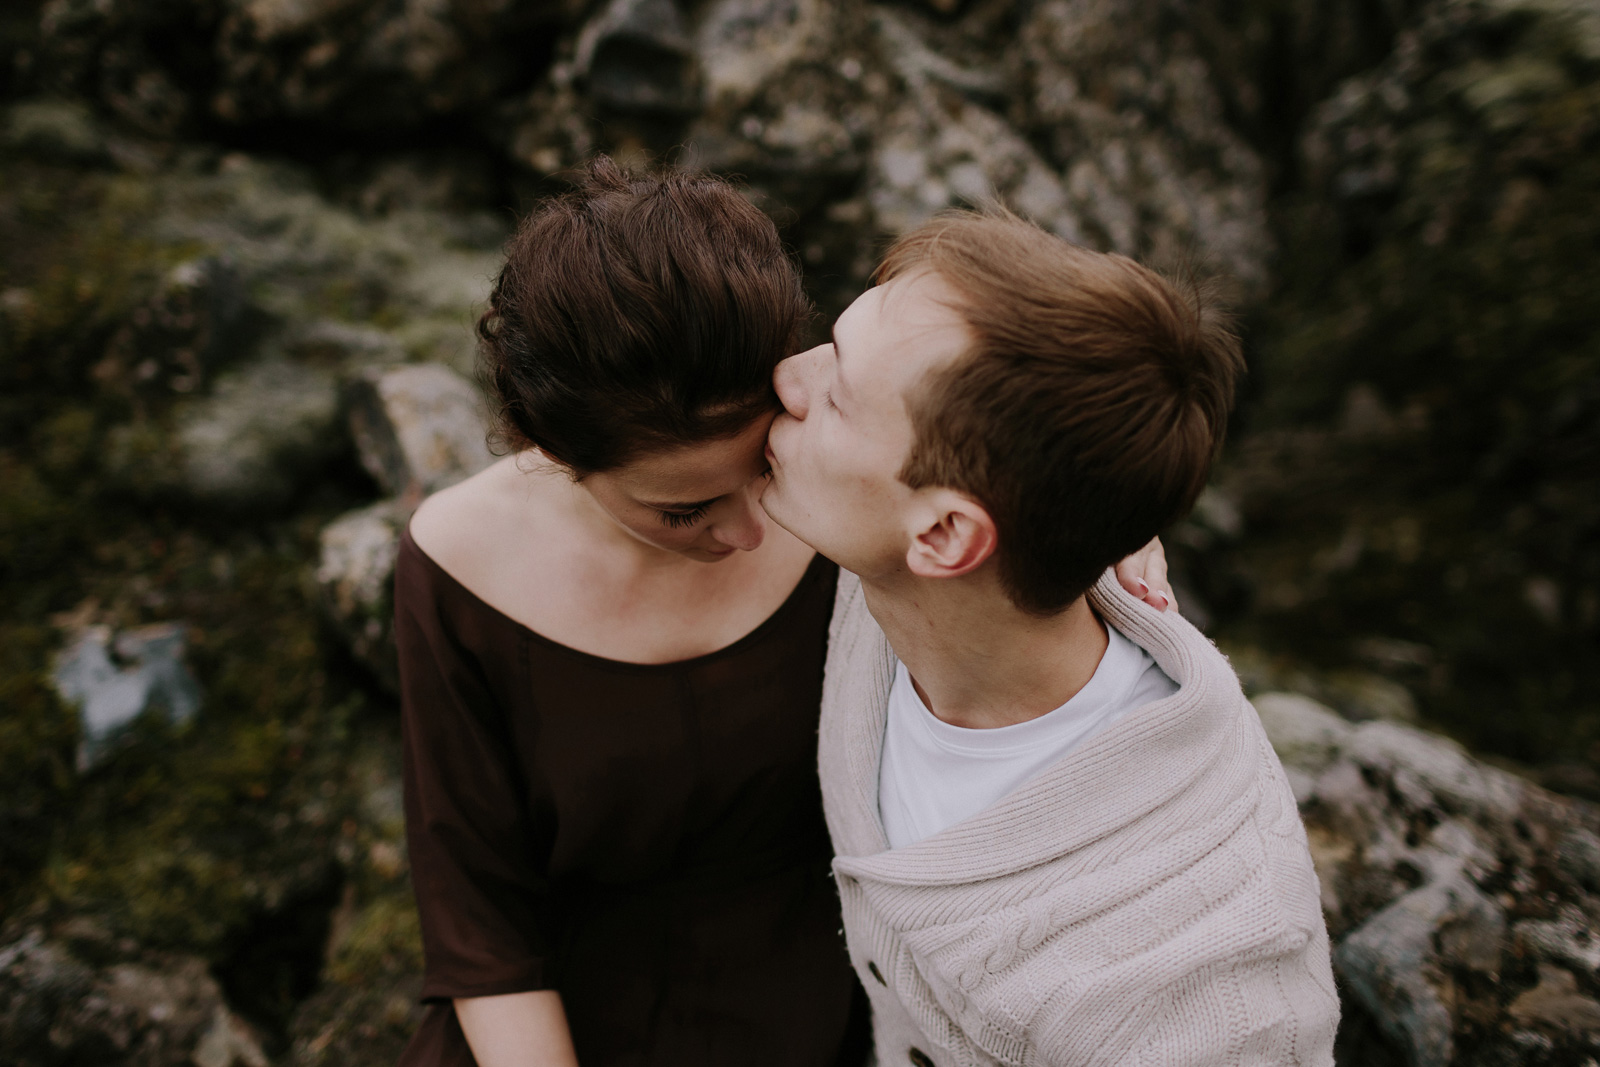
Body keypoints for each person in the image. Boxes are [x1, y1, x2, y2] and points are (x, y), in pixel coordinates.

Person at [393, 160, 1176, 1067]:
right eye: (681, 511)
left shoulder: (854, 501)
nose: (749, 530)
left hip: (834, 1017)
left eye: (762, 463)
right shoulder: (454, 566)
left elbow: (1033, 440)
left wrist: (1107, 541)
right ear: (553, 451)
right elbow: (483, 930)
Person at [761, 209, 1340, 1066]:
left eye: (837, 391)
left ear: (948, 538)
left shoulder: (1202, 986)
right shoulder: (907, 566)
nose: (786, 377)